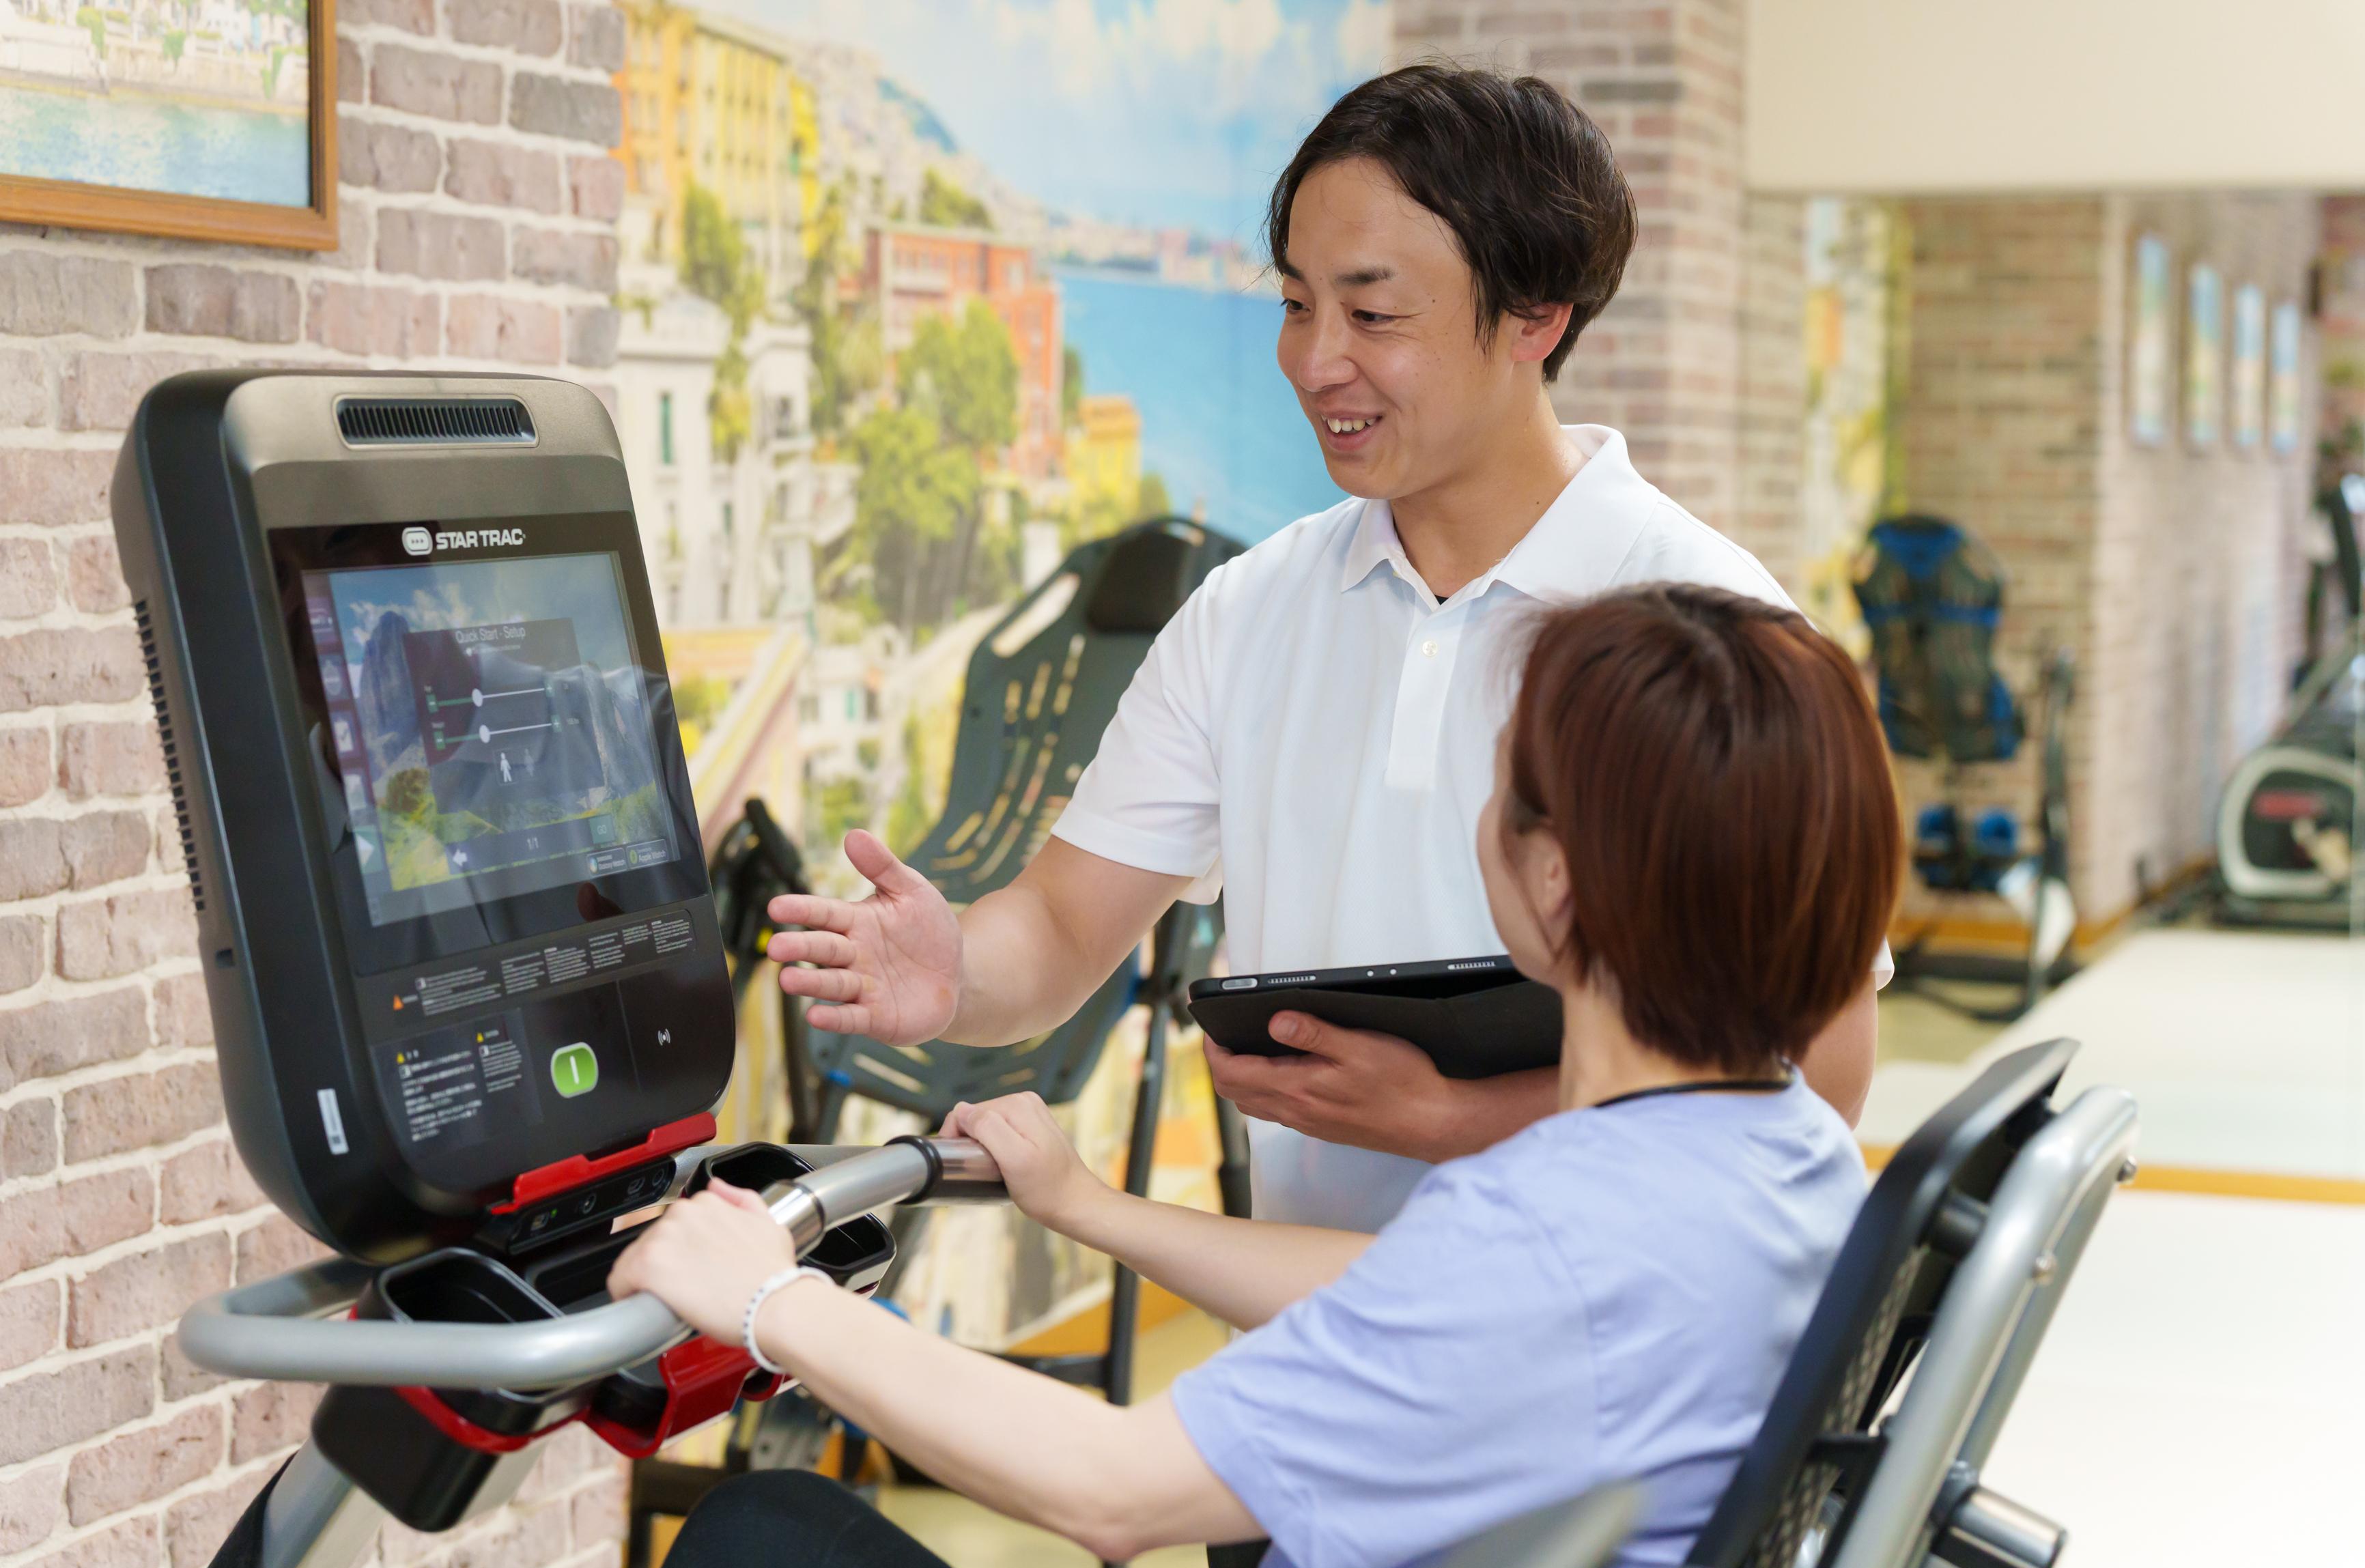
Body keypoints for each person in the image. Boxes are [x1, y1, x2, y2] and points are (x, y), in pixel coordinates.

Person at [762, 63, 1888, 1238]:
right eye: (1298, 305)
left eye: (1374, 314)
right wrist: (953, 971)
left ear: (1535, 316)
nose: (1314, 361)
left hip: (1618, 1332)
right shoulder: (1249, 610)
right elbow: (1059, 927)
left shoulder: (1711, 629)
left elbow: (1821, 1077)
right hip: (1309, 1337)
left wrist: (1458, 1118)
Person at [615, 584, 1903, 1568]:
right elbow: (1407, 1299)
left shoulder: (1541, 1233)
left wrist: (774, 1299)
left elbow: (1113, 1489)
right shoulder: (1782, 1142)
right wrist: (1092, 1207)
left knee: (764, 1538)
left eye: (1504, 785)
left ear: (1555, 880)